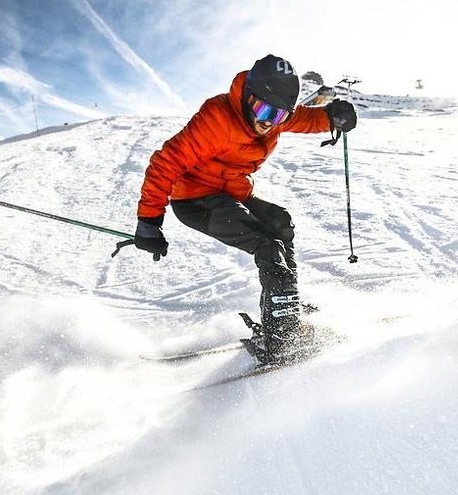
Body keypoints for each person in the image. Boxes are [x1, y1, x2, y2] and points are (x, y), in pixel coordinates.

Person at [133, 54, 358, 364]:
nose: (268, 123)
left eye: (278, 116)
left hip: (230, 191)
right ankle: (281, 340)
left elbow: (306, 118)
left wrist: (333, 116)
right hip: (196, 199)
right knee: (266, 243)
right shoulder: (218, 118)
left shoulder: (275, 113)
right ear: (248, 97)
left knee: (279, 223)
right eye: (264, 110)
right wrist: (148, 220)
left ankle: (284, 311)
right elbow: (167, 161)